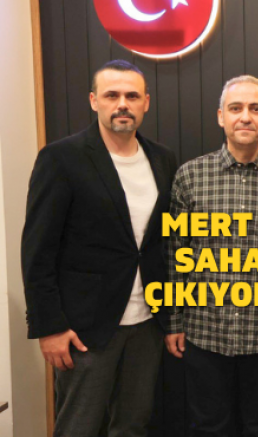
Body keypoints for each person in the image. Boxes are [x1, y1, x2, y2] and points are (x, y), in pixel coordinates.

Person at [22, 59, 177, 436]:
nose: (122, 104)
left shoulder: (162, 159)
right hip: (84, 328)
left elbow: (164, 245)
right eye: (112, 95)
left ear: (146, 103)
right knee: (78, 427)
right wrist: (49, 326)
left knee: (133, 425)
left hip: (147, 323)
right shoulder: (62, 158)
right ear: (94, 101)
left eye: (132, 96)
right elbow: (37, 250)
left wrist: (171, 315)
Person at [164, 75, 258, 437]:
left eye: (255, 109)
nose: (246, 116)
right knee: (208, 427)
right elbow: (176, 255)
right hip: (204, 330)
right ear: (221, 116)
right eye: (236, 108)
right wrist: (174, 321)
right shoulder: (190, 177)